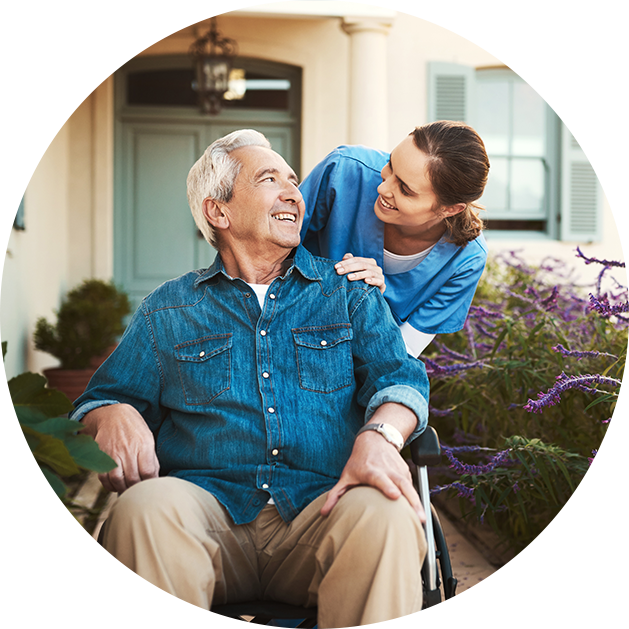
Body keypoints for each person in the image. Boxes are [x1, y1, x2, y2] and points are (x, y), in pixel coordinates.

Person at [71, 129, 430, 629]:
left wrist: (381, 437)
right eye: (269, 179)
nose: (293, 192)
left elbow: (402, 379)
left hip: (322, 513)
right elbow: (102, 396)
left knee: (386, 513)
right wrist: (112, 414)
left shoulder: (348, 291)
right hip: (206, 522)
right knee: (143, 508)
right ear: (220, 212)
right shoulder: (170, 309)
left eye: (291, 180)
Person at [299, 120, 490, 357]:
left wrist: (373, 303)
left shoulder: (465, 261)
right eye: (390, 164)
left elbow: (400, 354)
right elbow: (266, 250)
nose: (383, 188)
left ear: (450, 209)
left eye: (406, 190)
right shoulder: (343, 170)